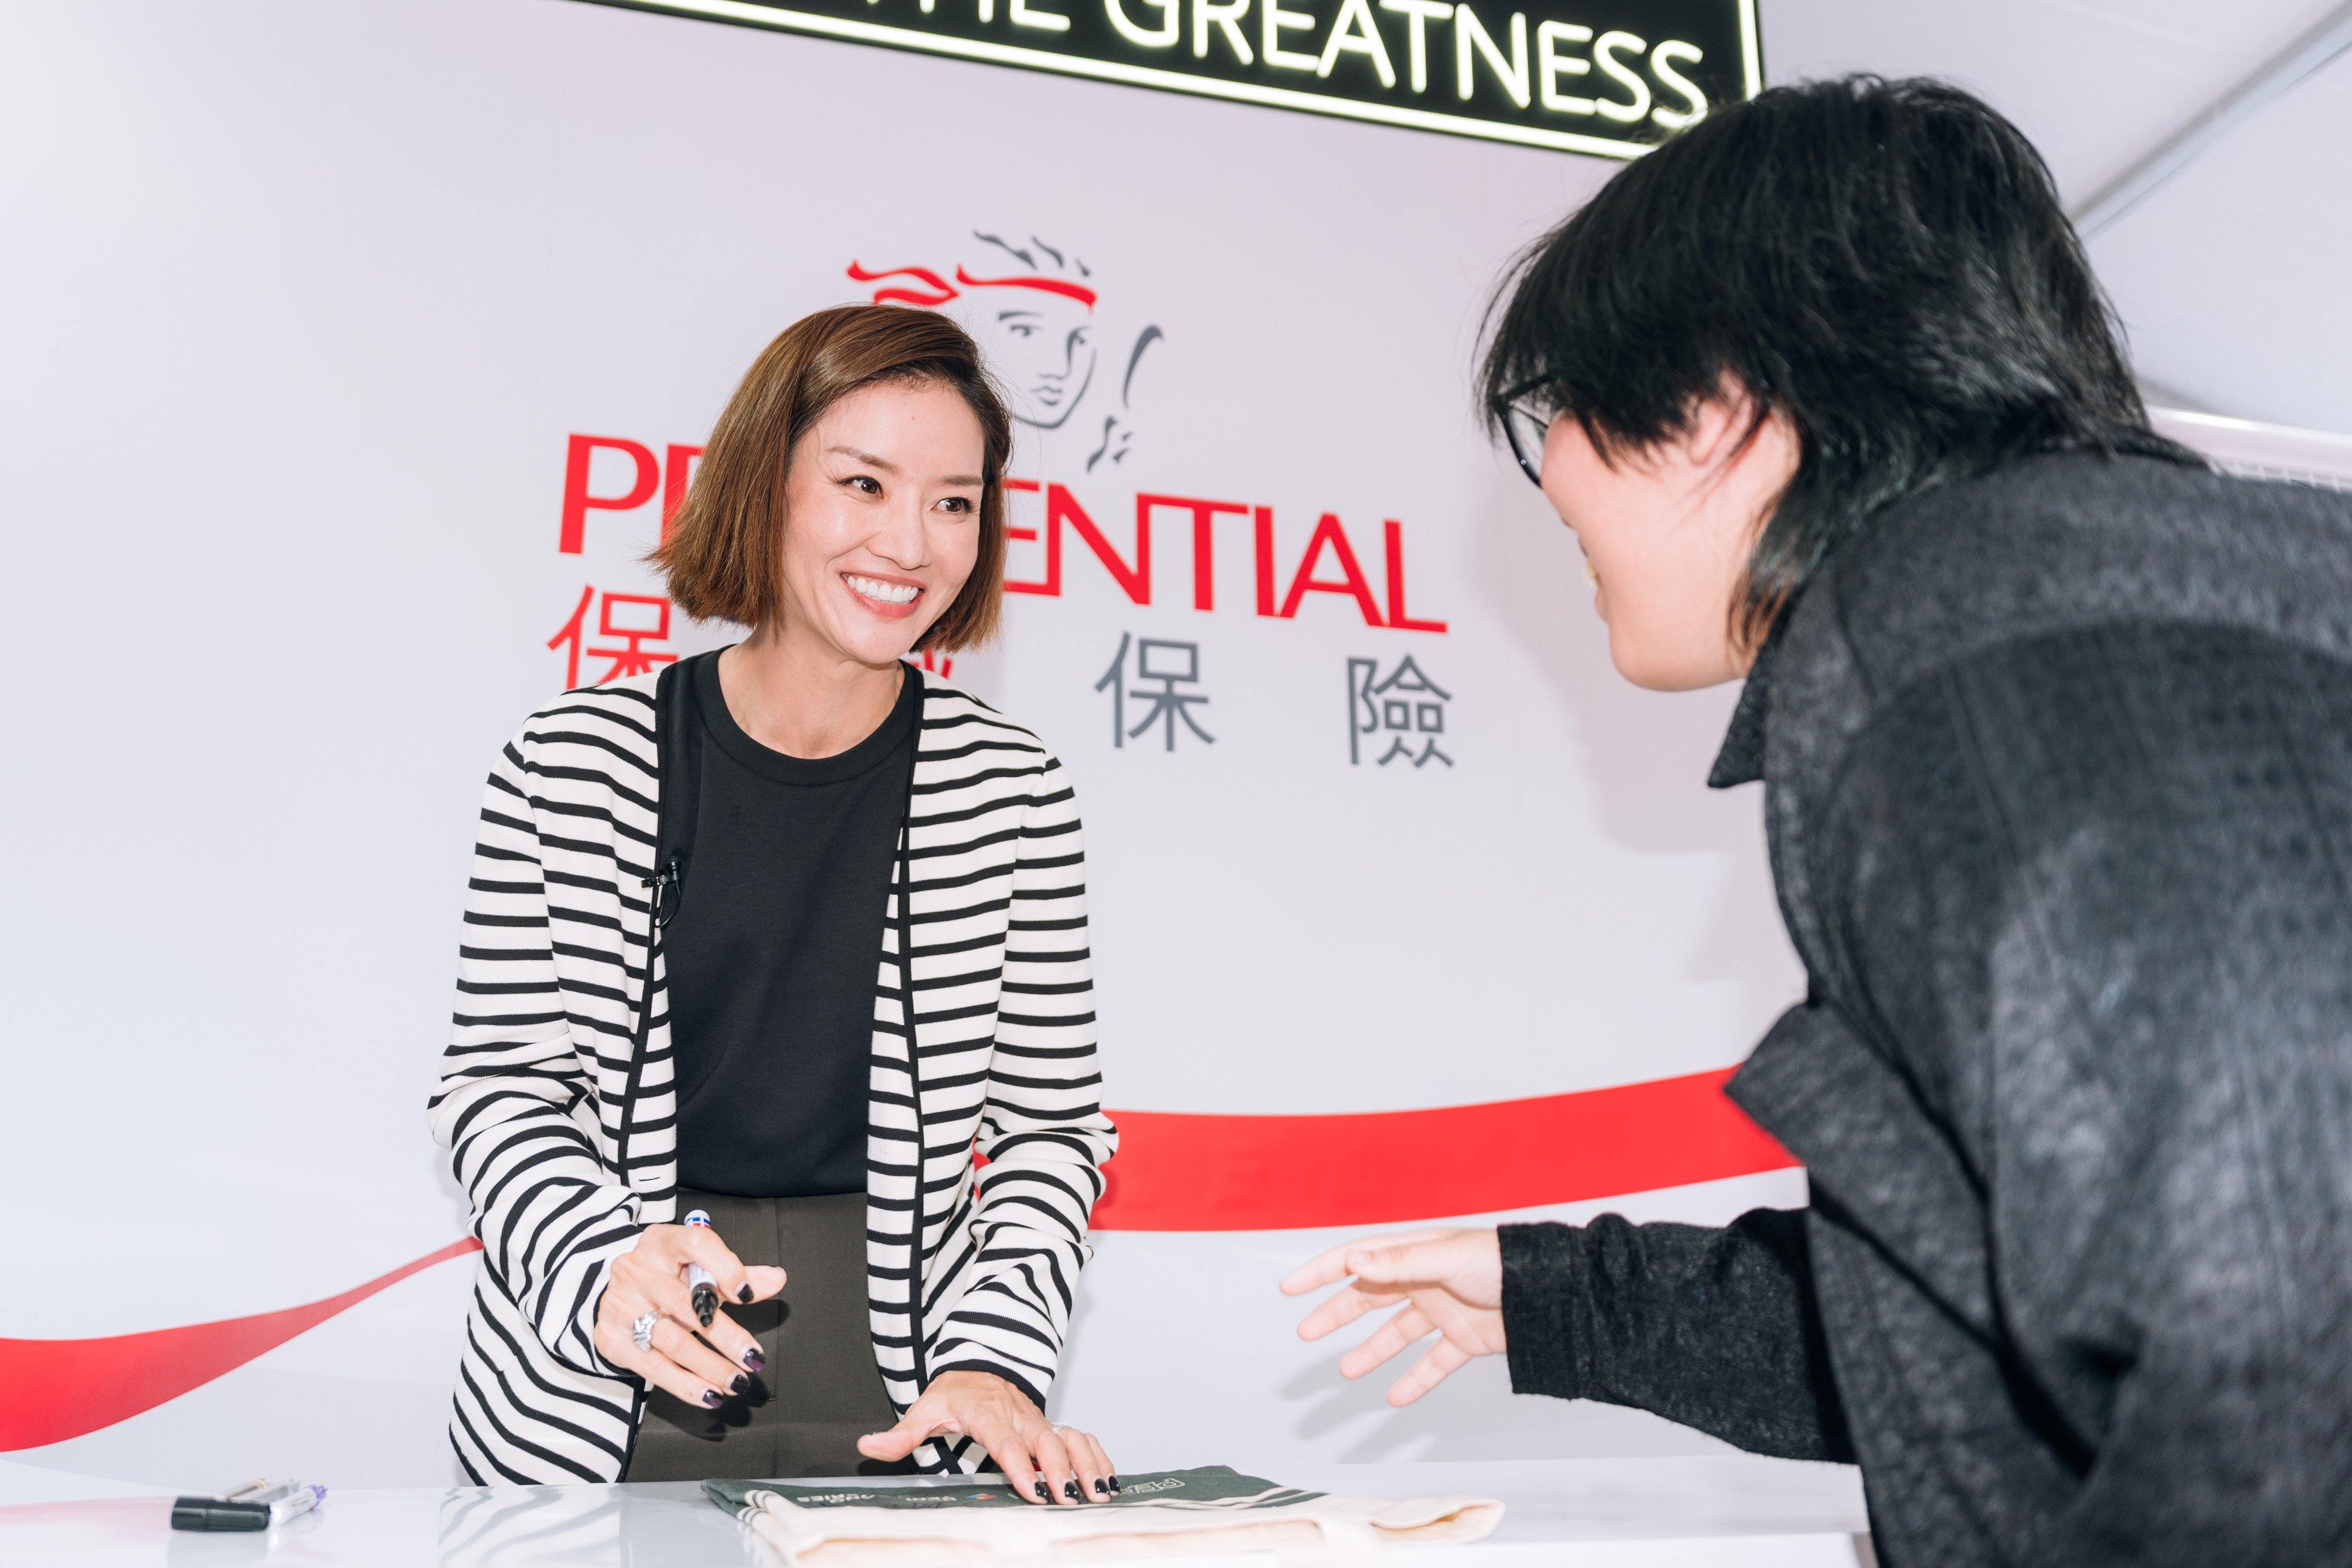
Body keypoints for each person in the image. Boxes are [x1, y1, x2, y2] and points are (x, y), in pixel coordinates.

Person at [1282, 76, 2352, 1565]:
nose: (1556, 487)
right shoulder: (2201, 589)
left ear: (1724, 405)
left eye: (1565, 415)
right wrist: (1561, 1296)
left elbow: (2270, 1283)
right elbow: (1993, 1318)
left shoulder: (1949, 646)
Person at [429, 305, 1121, 1501]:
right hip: (608, 1363)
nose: (910, 541)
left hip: (908, 1373)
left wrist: (994, 1358)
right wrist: (607, 1261)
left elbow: (1048, 1132)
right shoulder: (571, 762)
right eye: (863, 483)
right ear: (766, 483)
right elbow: (497, 1092)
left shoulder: (1012, 788)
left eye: (954, 501)